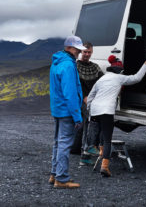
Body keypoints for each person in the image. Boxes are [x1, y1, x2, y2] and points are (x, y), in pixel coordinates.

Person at [87, 58, 146, 177]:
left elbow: (91, 96)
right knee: (107, 139)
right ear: (118, 71)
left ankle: (101, 152)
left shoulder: (101, 79)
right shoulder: (118, 78)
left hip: (95, 110)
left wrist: (89, 111)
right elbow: (136, 78)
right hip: (106, 111)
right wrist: (145, 65)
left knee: (101, 134)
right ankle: (104, 167)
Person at [49, 35, 86, 189]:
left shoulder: (56, 63)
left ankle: (54, 174)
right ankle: (62, 179)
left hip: (58, 109)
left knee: (58, 143)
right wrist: (77, 116)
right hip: (67, 111)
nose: (79, 52)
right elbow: (70, 93)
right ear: (70, 48)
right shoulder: (69, 66)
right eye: (77, 49)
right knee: (65, 144)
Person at [77, 42, 104, 165]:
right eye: (85, 52)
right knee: (89, 125)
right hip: (81, 100)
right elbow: (76, 84)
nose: (87, 54)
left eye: (89, 52)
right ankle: (87, 149)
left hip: (94, 100)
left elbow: (102, 82)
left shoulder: (95, 67)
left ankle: (86, 155)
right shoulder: (75, 66)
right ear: (80, 52)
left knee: (91, 125)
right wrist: (84, 97)